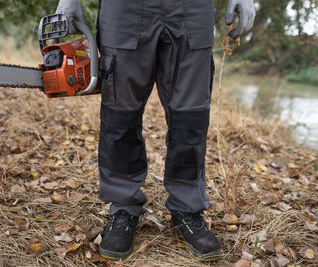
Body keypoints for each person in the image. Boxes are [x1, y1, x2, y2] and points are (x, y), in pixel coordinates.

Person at [56, 0, 255, 261]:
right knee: (120, 115)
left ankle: (186, 209)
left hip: (192, 9)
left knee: (190, 118)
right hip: (124, 9)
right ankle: (124, 208)